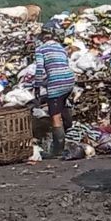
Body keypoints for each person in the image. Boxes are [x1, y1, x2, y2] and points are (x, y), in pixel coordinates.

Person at [34, 24, 77, 157]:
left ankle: (58, 150)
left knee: (55, 115)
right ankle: (69, 127)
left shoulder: (40, 49)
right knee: (62, 104)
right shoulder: (61, 48)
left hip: (56, 83)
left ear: (42, 37)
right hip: (70, 79)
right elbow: (64, 65)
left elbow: (40, 69)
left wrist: (37, 85)